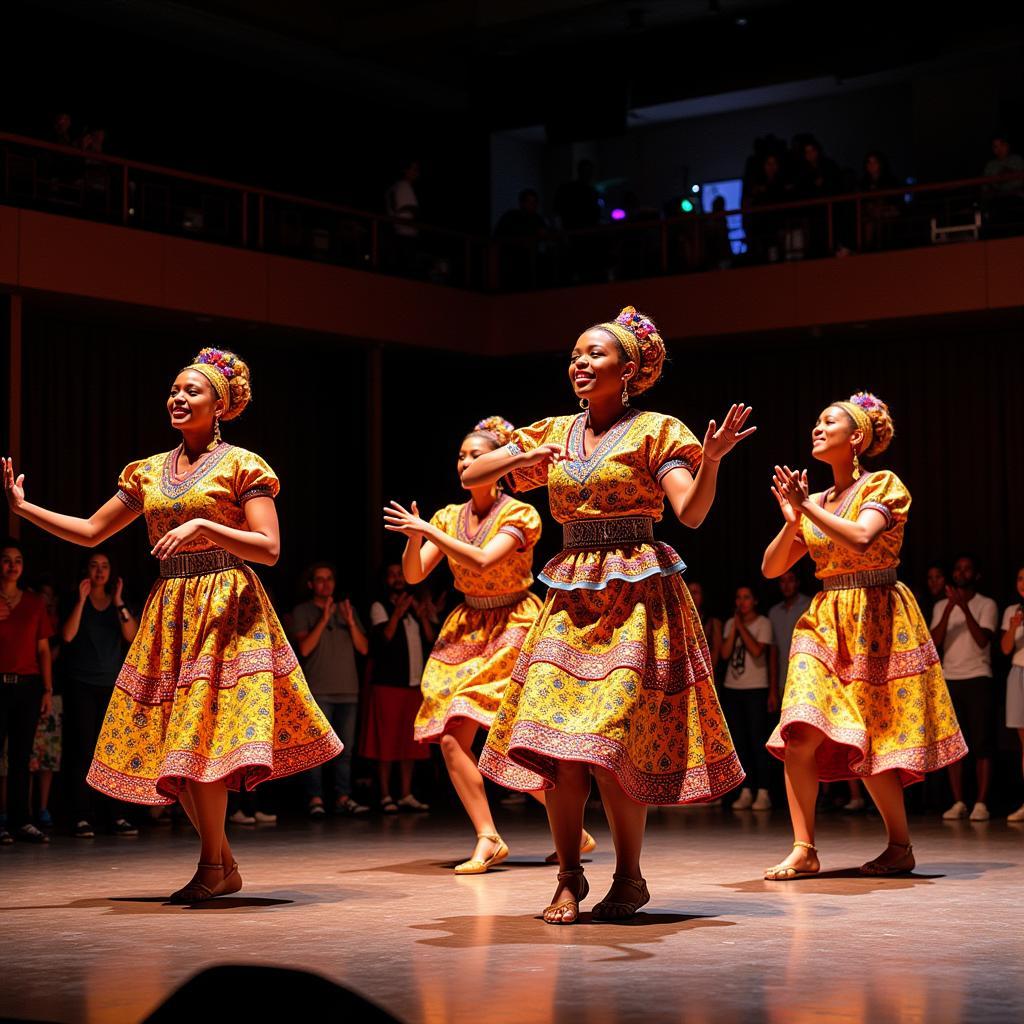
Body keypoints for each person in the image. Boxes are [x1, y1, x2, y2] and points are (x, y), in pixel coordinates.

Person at [3, 347, 342, 900]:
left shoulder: (241, 466)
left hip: (227, 608)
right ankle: (221, 863)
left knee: (200, 741)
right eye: (175, 390)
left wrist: (207, 526)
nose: (178, 398)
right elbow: (91, 532)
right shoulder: (149, 472)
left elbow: (270, 548)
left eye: (193, 391)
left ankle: (213, 868)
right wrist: (24, 510)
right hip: (172, 613)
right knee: (172, 746)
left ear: (221, 405)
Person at [465, 306, 753, 924]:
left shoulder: (657, 430)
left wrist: (712, 461)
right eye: (575, 354)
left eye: (595, 354)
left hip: (637, 597)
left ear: (629, 369)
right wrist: (525, 449)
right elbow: (472, 471)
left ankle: (628, 877)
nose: (580, 362)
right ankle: (569, 876)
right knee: (557, 743)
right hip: (570, 596)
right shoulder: (556, 433)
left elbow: (692, 514)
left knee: (613, 741)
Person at [762, 392, 966, 879]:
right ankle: (804, 847)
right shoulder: (812, 502)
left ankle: (900, 844)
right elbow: (771, 568)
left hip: (878, 617)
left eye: (828, 421)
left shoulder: (884, 484)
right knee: (799, 732)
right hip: (826, 616)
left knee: (873, 739)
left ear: (856, 437)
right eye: (816, 420)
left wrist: (805, 513)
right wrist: (793, 520)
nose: (817, 426)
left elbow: (860, 537)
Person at [384, 417, 595, 873]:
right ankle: (488, 835)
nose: (467, 462)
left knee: (508, 737)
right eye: (462, 455)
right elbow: (416, 574)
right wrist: (416, 537)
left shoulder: (521, 514)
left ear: (499, 462)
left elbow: (482, 559)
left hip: (514, 623)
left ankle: (570, 826)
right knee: (450, 736)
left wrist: (431, 532)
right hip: (466, 626)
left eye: (477, 455)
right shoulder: (446, 517)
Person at [63, 550, 140, 838]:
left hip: (111, 685)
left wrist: (119, 601)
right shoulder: (75, 599)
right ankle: (82, 815)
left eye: (104, 566)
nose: (99, 572)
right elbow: (67, 635)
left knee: (112, 750)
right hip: (81, 683)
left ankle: (116, 815)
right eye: (94, 566)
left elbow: (131, 636)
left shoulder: (117, 604)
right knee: (83, 750)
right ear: (86, 570)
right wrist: (82, 600)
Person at [292, 563, 370, 817]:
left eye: (329, 579)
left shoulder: (347, 610)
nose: (326, 584)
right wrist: (324, 619)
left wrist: (349, 621)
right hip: (319, 690)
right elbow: (304, 649)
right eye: (320, 579)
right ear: (311, 584)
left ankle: (343, 796)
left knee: (345, 751)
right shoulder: (302, 611)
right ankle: (315, 798)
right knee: (317, 750)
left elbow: (363, 648)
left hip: (348, 690)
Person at [361, 564, 433, 813]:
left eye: (400, 573)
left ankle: (405, 793)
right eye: (392, 574)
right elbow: (382, 640)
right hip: (388, 685)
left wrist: (422, 616)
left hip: (413, 684)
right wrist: (397, 613)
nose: (398, 578)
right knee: (387, 742)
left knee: (409, 743)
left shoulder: (414, 609)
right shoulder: (380, 607)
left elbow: (430, 639)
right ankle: (385, 794)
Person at [932, 554, 998, 821]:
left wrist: (964, 608)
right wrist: (950, 608)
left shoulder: (987, 604)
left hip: (978, 676)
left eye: (967, 569)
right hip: (950, 678)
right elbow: (934, 642)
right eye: (957, 569)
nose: (961, 573)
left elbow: (983, 640)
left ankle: (981, 803)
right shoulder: (940, 606)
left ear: (976, 575)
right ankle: (958, 801)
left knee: (982, 743)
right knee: (953, 745)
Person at [0, 538, 53, 844]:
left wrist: (47, 689)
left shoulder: (34, 603)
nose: (13, 566)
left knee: (21, 757)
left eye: (18, 560)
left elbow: (43, 650)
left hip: (28, 686)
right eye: (7, 560)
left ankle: (22, 820)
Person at [721, 585, 776, 811]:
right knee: (740, 742)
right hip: (733, 688)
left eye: (746, 597)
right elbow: (724, 654)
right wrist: (734, 627)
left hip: (756, 688)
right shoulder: (730, 624)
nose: (742, 602)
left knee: (757, 740)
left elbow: (756, 651)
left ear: (754, 601)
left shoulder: (763, 623)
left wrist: (740, 626)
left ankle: (763, 792)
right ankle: (746, 790)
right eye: (738, 597)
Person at [1001, 565, 1024, 822]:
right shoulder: (1012, 611)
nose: (1022, 583)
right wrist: (1013, 628)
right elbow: (1006, 649)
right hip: (1018, 673)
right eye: (1019, 579)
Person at [767, 569, 812, 694]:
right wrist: (772, 689)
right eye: (782, 581)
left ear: (797, 582)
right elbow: (773, 651)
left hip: (807, 678)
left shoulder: (810, 605)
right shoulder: (774, 612)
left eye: (790, 580)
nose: (786, 585)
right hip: (783, 680)